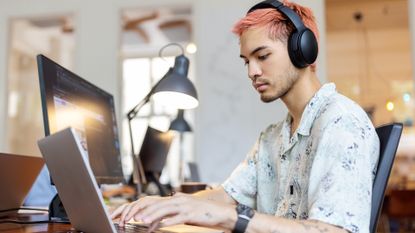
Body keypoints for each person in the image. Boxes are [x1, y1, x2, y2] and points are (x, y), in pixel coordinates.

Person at [111, 1, 380, 233]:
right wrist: (168, 204)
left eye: (262, 56)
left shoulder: (341, 122)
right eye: (246, 61)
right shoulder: (273, 137)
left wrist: (231, 218)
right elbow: (227, 196)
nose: (252, 71)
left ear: (303, 50)